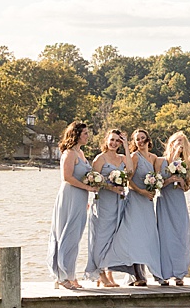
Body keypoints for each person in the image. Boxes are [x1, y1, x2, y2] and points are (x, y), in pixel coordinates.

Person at [100, 128, 163, 285]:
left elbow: (156, 178)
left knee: (148, 236)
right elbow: (129, 180)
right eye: (137, 139)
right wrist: (142, 191)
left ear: (148, 140)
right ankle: (138, 274)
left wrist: (154, 188)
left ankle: (156, 271)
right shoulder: (134, 157)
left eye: (142, 138)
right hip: (135, 199)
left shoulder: (154, 158)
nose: (140, 141)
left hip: (148, 202)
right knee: (134, 236)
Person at [85, 127, 133, 287]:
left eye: (117, 141)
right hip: (104, 202)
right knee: (101, 237)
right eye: (111, 140)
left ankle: (107, 272)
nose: (114, 143)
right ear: (106, 140)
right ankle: (100, 273)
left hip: (119, 202)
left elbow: (131, 171)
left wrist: (127, 146)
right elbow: (94, 181)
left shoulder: (122, 158)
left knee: (113, 238)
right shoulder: (100, 159)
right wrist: (111, 186)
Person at [48, 121, 93, 290]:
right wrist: (88, 187)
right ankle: (61, 275)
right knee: (66, 234)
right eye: (85, 133)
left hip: (80, 197)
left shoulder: (81, 153)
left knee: (75, 237)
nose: (88, 136)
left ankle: (70, 274)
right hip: (69, 196)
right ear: (76, 134)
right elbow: (66, 177)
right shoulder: (69, 154)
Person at [154, 132, 190, 286]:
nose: (179, 144)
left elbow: (186, 188)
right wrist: (169, 179)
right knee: (164, 236)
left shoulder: (185, 164)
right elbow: (156, 185)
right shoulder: (160, 161)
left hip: (179, 202)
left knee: (180, 235)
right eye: (177, 141)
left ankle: (179, 274)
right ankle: (163, 274)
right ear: (171, 143)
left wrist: (181, 181)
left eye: (182, 142)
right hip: (164, 201)